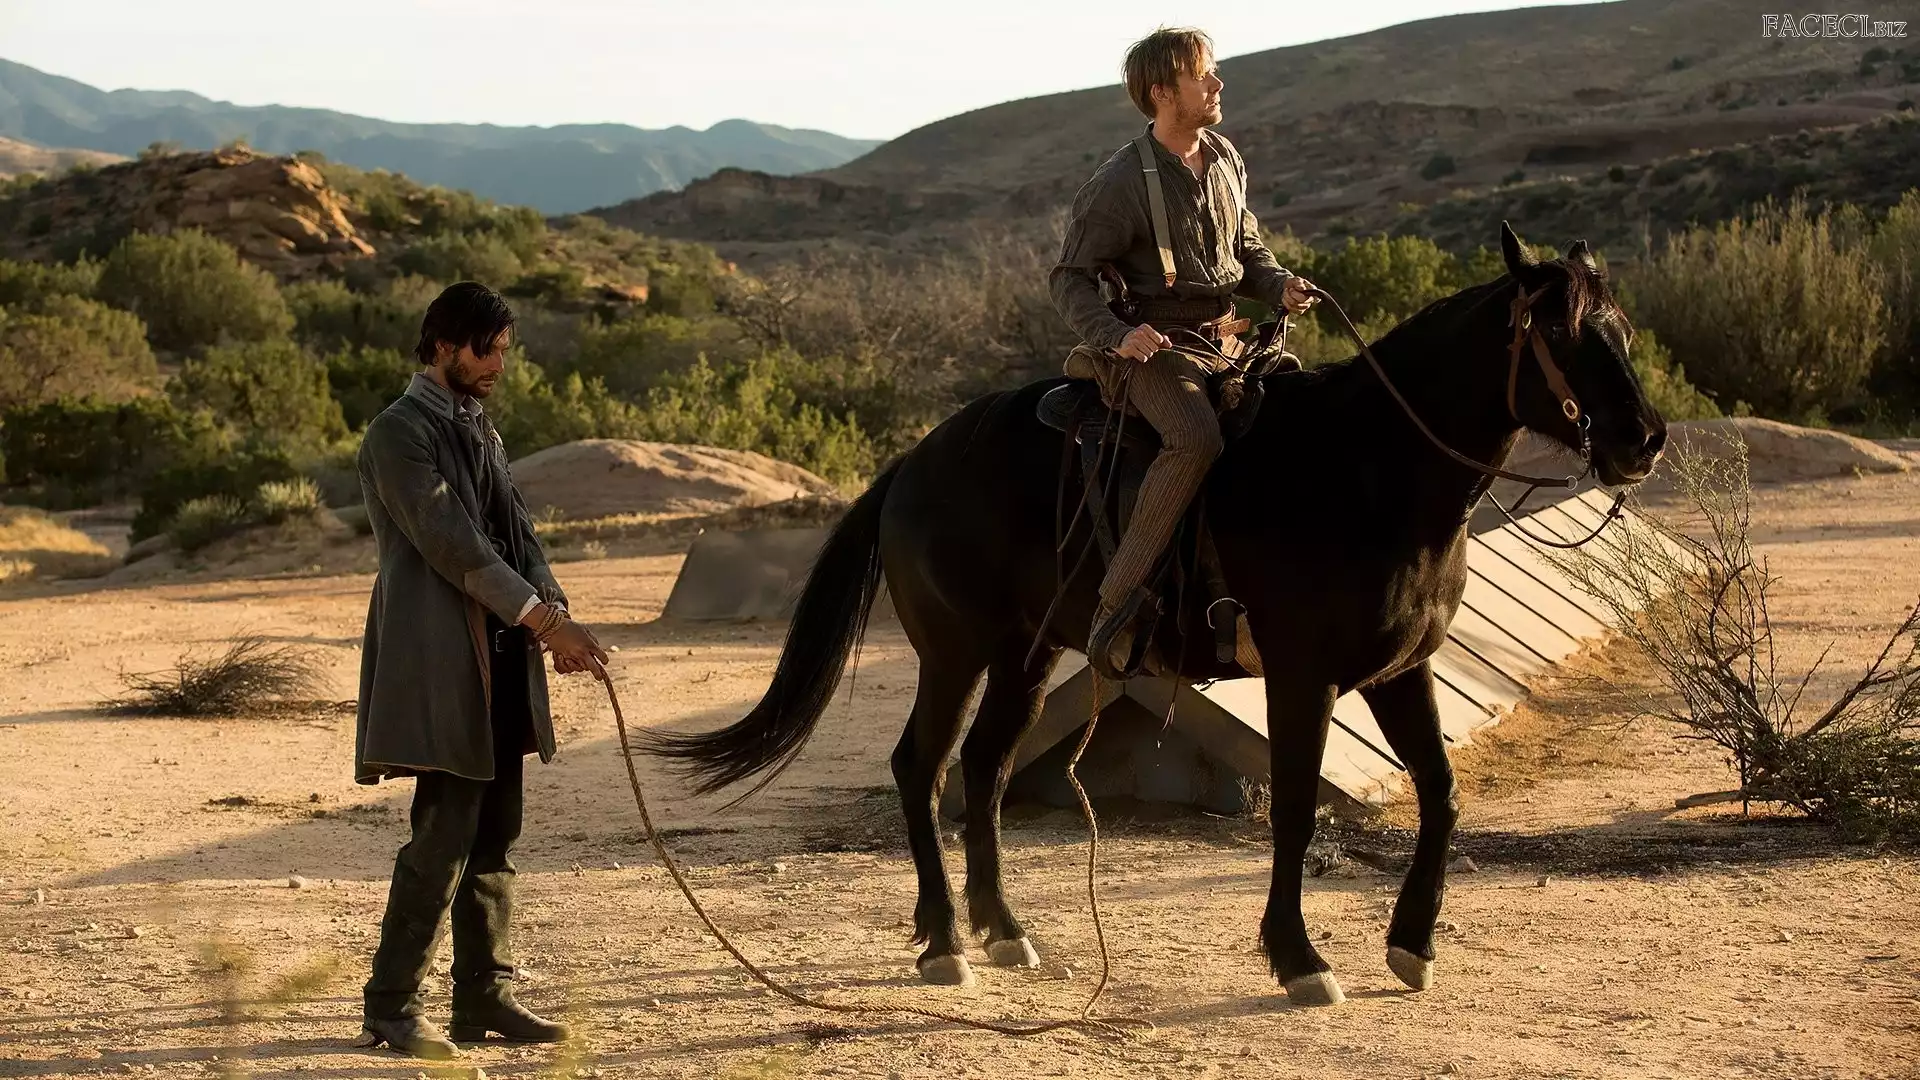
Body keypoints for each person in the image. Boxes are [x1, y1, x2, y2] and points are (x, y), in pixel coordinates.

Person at [352, 281, 608, 1059]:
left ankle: (483, 998)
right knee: (443, 837)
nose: (499, 364)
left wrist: (552, 610)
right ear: (443, 345)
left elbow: (517, 535)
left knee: (497, 834)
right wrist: (547, 624)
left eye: (503, 351)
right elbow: (454, 546)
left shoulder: (479, 427)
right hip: (440, 659)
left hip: (501, 655)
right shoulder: (397, 433)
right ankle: (392, 1006)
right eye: (486, 350)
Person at [1049, 26, 1319, 677]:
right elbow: (1069, 278)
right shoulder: (1119, 182)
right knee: (1195, 438)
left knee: (1305, 415)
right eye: (1203, 76)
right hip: (1155, 351)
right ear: (1163, 92)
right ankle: (1116, 608)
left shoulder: (1225, 157)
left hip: (1227, 341)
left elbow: (1247, 250)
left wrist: (1279, 285)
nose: (1218, 84)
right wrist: (1117, 335)